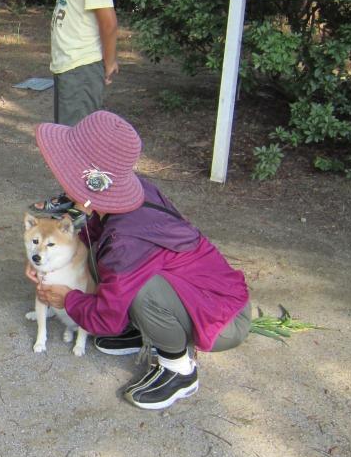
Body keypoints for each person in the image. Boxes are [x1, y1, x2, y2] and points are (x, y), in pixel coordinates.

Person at [27, 111, 251, 410]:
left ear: (90, 182)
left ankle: (178, 369)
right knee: (103, 259)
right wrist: (46, 262)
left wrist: (68, 300)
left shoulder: (125, 242)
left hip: (222, 319)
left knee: (143, 290)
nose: (59, 176)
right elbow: (91, 238)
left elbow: (106, 320)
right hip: (200, 295)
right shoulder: (128, 196)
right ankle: (142, 331)